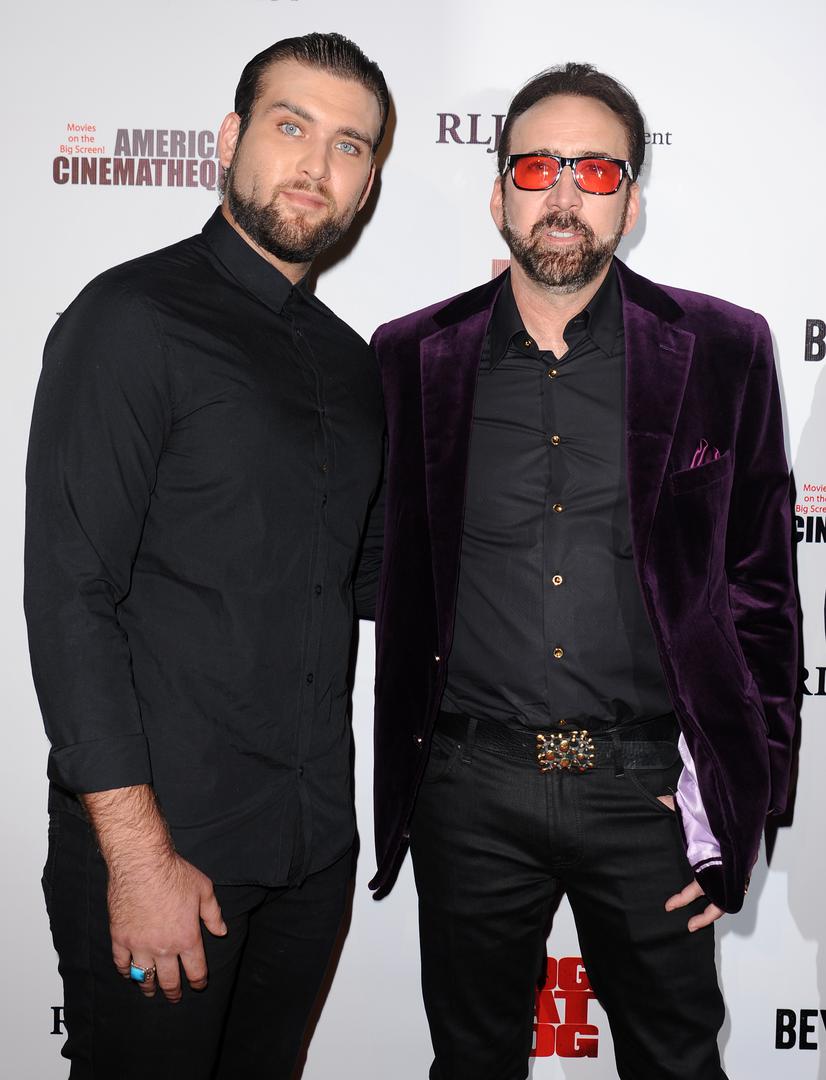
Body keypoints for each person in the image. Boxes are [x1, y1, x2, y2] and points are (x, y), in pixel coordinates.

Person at [367, 62, 797, 1080]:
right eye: (536, 167)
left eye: (595, 170)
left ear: (632, 198)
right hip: (468, 789)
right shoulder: (408, 357)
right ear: (497, 191)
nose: (562, 195)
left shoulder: (723, 350)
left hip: (646, 791)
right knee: (470, 1064)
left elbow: (762, 594)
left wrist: (746, 791)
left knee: (675, 1063)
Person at [25, 32, 388, 1080]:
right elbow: (69, 593)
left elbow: (370, 580)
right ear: (229, 140)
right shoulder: (131, 317)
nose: (317, 166)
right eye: (291, 127)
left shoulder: (352, 364)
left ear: (368, 184)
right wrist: (137, 859)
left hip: (311, 852)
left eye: (350, 147)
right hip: (166, 852)